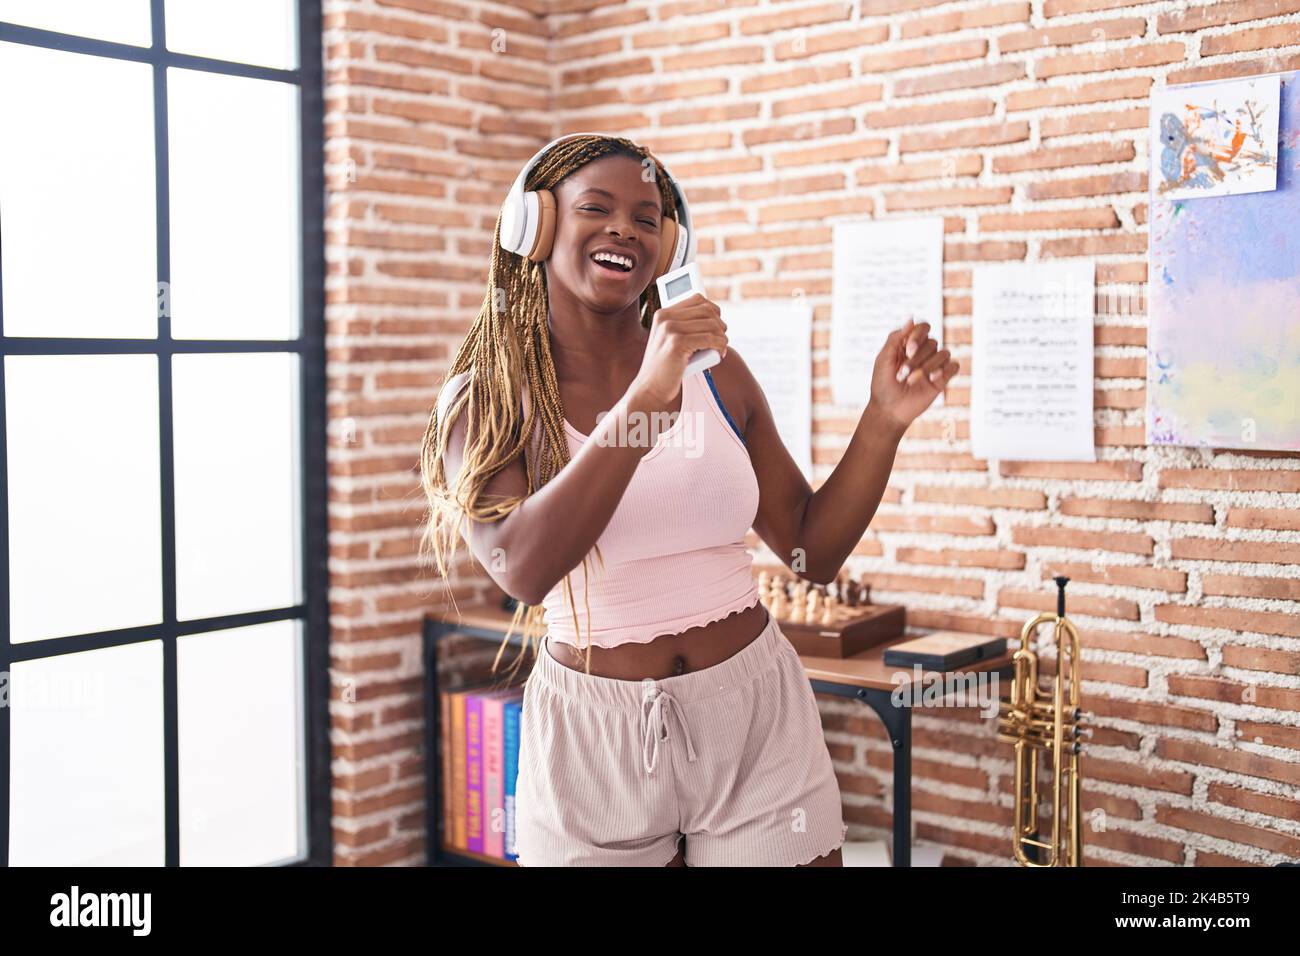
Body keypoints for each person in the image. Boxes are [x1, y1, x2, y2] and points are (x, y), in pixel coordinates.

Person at [418, 133, 957, 867]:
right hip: (593, 741)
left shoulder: (717, 371)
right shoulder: (485, 399)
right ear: (535, 228)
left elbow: (813, 549)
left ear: (669, 246)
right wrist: (645, 403)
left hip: (755, 717)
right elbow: (521, 569)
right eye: (596, 209)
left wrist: (883, 420)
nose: (624, 231)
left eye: (647, 219)